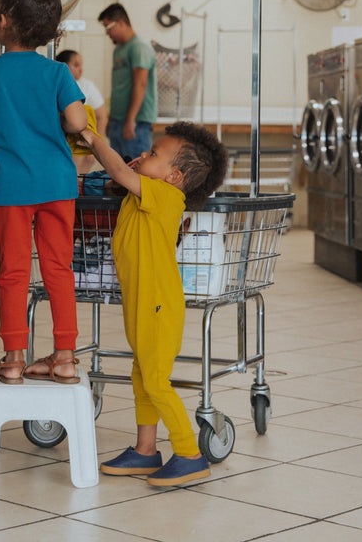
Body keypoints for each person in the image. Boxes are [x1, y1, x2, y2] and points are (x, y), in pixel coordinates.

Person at [79, 121, 228, 486]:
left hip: (159, 306)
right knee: (142, 376)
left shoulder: (165, 197)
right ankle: (146, 451)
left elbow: (115, 168)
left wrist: (92, 138)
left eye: (153, 154)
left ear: (174, 176)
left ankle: (190, 454)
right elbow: (118, 177)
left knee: (156, 381)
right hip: (142, 304)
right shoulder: (141, 194)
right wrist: (129, 168)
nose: (143, 155)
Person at [0, 0, 88, 385]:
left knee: (13, 272)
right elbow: (76, 121)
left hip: (12, 188)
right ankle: (65, 356)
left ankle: (14, 357)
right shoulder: (56, 73)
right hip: (57, 184)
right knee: (59, 269)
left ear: (4, 21)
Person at [98, 3, 157, 161]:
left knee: (135, 172)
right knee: (116, 171)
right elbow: (119, 87)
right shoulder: (119, 50)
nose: (107, 33)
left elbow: (141, 84)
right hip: (118, 120)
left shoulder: (139, 48)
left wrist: (131, 120)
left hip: (135, 123)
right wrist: (111, 118)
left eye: (108, 27)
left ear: (121, 23)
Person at [55, 49, 108, 174]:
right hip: (57, 144)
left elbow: (101, 116)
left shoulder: (87, 86)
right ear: (63, 65)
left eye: (81, 65)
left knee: (77, 181)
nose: (81, 69)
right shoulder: (54, 85)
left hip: (80, 145)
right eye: (76, 65)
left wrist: (96, 146)